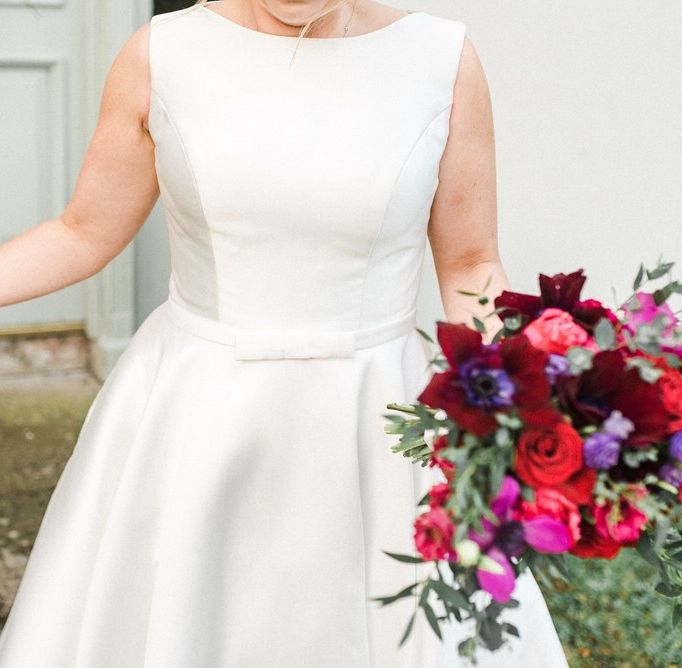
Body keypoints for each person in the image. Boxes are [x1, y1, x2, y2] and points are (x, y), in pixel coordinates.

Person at [0, 0, 569, 665]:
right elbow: (83, 233)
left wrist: (539, 397)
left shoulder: (442, 60)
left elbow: (471, 262)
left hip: (380, 419)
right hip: (196, 416)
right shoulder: (163, 53)